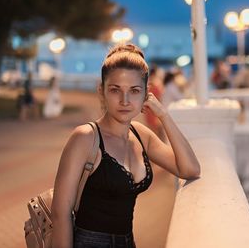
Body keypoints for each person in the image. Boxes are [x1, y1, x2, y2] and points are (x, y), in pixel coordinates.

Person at [51, 43, 201, 248]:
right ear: (101, 91)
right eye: (115, 90)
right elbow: (60, 213)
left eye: (134, 90)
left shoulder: (141, 135)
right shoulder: (85, 137)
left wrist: (164, 114)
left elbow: (190, 169)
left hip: (128, 241)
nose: (125, 100)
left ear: (145, 94)